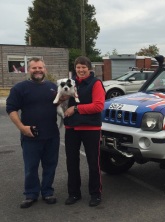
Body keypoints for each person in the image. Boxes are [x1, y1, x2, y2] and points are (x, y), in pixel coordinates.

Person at [6, 57, 60, 209]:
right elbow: (11, 109)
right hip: (30, 136)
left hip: (51, 135)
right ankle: (31, 194)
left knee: (50, 165)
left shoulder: (52, 87)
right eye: (34, 68)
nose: (37, 70)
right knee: (31, 167)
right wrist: (22, 128)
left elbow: (59, 103)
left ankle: (48, 192)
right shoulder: (20, 88)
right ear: (28, 70)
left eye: (40, 68)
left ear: (45, 69)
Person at [63, 56, 105, 207]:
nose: (80, 70)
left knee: (93, 163)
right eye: (78, 67)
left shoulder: (96, 83)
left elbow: (98, 106)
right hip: (71, 128)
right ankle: (74, 193)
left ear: (89, 68)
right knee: (72, 162)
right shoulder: (71, 83)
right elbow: (63, 99)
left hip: (90, 128)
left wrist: (75, 108)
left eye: (83, 67)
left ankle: (96, 194)